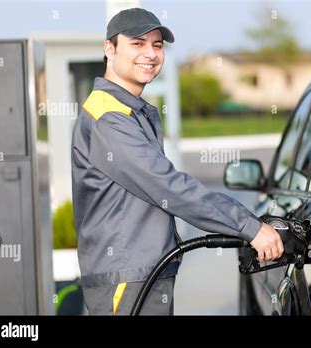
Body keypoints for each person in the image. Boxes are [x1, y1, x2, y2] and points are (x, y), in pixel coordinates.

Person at [71, 7, 284, 316]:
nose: (150, 53)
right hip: (126, 280)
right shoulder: (109, 118)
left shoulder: (131, 111)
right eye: (137, 43)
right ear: (109, 48)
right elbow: (169, 187)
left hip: (143, 274)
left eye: (157, 45)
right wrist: (249, 227)